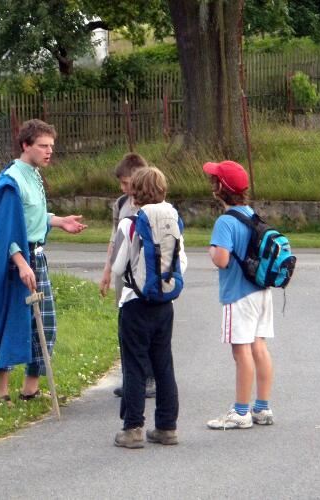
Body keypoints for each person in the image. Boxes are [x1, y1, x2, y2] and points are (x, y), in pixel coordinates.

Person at [0, 119, 87, 407]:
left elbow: (30, 217)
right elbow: (3, 232)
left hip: (36, 258)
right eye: (43, 146)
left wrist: (60, 221)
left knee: (44, 324)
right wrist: (21, 264)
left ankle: (30, 390)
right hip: (13, 265)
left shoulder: (35, 175)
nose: (49, 151)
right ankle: (1, 393)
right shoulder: (10, 182)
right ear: (26, 145)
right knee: (9, 322)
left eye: (51, 146)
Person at [111, 167, 187, 448]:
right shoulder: (173, 220)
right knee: (163, 364)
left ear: (135, 193)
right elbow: (182, 262)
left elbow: (118, 267)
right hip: (164, 303)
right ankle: (167, 427)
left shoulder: (129, 224)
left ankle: (133, 429)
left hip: (135, 303)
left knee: (134, 366)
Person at [202, 160, 275, 429]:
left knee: (240, 351)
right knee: (259, 347)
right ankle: (262, 407)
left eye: (214, 180)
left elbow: (221, 260)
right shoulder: (252, 214)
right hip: (261, 291)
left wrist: (212, 251)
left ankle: (241, 412)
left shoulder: (225, 221)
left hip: (238, 294)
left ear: (220, 188)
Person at [99, 153, 156, 399]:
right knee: (125, 326)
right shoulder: (121, 203)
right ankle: (131, 377)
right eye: (121, 184)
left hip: (146, 276)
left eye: (126, 183)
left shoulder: (154, 203)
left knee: (146, 328)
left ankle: (149, 378)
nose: (123, 188)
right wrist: (107, 271)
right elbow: (114, 240)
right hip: (124, 276)